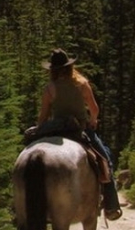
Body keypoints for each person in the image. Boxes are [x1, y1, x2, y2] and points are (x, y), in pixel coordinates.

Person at [37, 48, 123, 221]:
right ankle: (111, 206)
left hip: (56, 129)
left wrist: (39, 129)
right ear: (69, 66)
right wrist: (93, 120)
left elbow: (43, 116)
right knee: (104, 160)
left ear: (52, 70)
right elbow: (94, 109)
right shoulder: (82, 83)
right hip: (79, 129)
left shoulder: (49, 89)